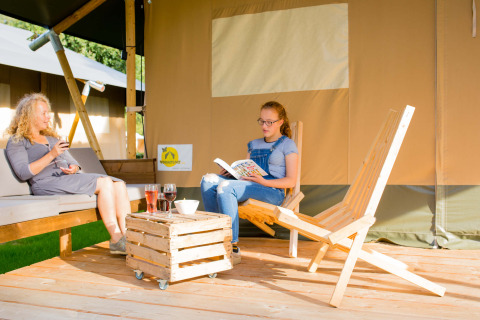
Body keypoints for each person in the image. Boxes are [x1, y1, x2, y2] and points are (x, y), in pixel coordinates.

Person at [5, 93, 130, 254]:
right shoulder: (17, 141)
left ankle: (128, 236)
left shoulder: (51, 139)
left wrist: (74, 168)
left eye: (47, 112)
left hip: (67, 178)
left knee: (118, 184)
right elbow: (23, 173)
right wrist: (51, 155)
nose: (48, 117)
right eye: (43, 113)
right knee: (105, 182)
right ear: (29, 115)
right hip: (45, 183)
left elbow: (73, 162)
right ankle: (116, 239)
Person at [200, 101, 298, 264]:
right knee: (208, 180)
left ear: (280, 122)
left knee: (225, 188)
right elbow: (243, 175)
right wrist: (230, 174)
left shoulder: (288, 144)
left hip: (272, 191)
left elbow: (291, 181)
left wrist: (263, 182)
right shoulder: (253, 144)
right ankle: (215, 238)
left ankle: (231, 246)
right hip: (250, 185)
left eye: (269, 122)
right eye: (261, 121)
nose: (264, 126)